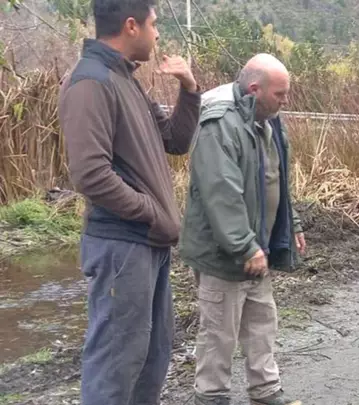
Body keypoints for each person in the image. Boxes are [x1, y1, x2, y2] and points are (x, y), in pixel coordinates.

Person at [57, 0, 200, 402]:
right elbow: (90, 174)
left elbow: (176, 140)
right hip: (122, 245)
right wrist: (151, 213)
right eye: (154, 24)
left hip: (147, 244)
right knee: (115, 366)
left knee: (151, 360)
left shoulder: (126, 80)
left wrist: (189, 89)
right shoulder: (91, 82)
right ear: (132, 26)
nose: (158, 34)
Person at [178, 53, 305, 405]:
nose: (285, 100)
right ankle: (211, 396)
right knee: (219, 332)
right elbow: (221, 191)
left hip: (256, 245)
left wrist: (291, 223)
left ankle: (266, 392)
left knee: (262, 322)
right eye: (280, 94)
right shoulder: (220, 122)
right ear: (254, 89)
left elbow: (275, 178)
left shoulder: (267, 119)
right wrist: (244, 245)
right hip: (224, 251)